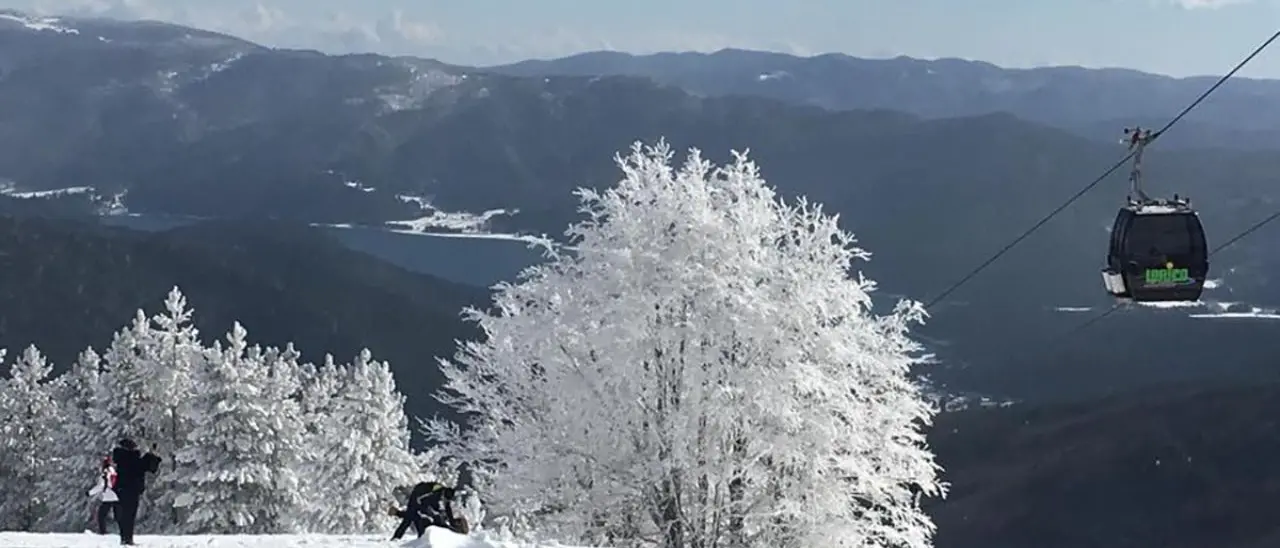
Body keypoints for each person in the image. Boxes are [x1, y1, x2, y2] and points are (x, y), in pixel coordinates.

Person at [111, 438, 162, 546]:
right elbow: (144, 467)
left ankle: (124, 538)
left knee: (122, 516)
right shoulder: (132, 458)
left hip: (119, 490)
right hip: (131, 490)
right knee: (129, 515)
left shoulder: (120, 458)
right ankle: (127, 539)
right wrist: (151, 455)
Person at [389, 481, 463, 539]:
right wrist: (433, 513)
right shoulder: (436, 493)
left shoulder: (444, 494)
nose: (445, 500)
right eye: (445, 499)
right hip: (417, 496)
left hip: (424, 499)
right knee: (412, 518)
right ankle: (398, 538)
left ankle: (420, 539)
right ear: (444, 494)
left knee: (417, 518)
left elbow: (447, 508)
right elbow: (424, 502)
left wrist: (452, 521)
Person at [87, 456, 119, 535]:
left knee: (101, 515)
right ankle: (123, 531)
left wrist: (90, 493)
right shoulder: (113, 470)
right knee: (118, 515)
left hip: (108, 496)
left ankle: (102, 531)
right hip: (116, 495)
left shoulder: (105, 472)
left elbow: (101, 485)